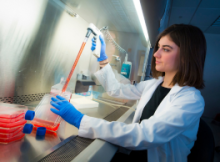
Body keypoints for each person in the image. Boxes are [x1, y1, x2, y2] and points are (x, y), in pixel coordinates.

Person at [50, 24, 207, 162]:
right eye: (158, 47)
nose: (156, 54)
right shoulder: (153, 85)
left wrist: (81, 119)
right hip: (136, 154)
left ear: (187, 56)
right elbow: (117, 89)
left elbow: (145, 135)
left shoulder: (191, 100)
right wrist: (102, 59)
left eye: (165, 49)